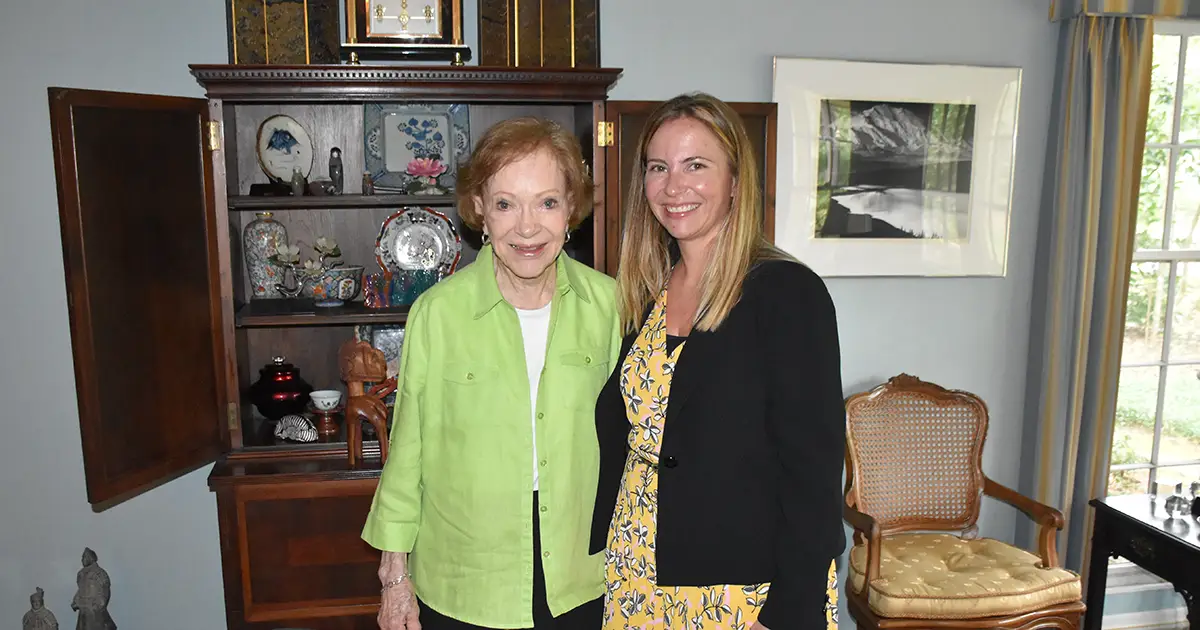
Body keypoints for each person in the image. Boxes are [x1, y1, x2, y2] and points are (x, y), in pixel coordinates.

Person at [590, 93, 845, 629]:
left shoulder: (786, 294)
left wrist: (789, 610)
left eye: (696, 166)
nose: (673, 186)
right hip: (637, 568)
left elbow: (813, 473)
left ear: (734, 180)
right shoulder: (648, 290)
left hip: (744, 588)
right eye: (658, 167)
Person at [362, 116, 621, 630]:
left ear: (571, 207)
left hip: (581, 575)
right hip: (464, 580)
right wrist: (395, 576)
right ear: (480, 208)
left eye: (547, 202)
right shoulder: (438, 313)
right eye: (506, 204)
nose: (527, 227)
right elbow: (408, 451)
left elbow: (632, 444)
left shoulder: (610, 305)